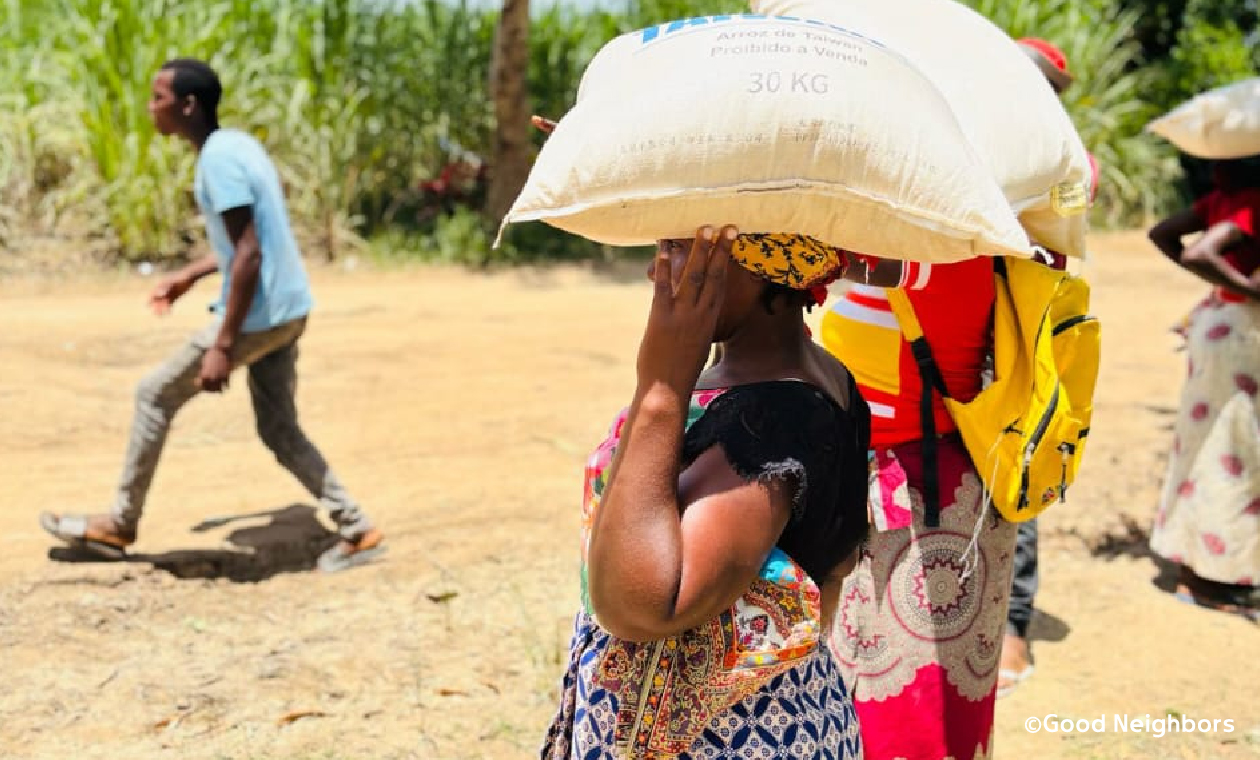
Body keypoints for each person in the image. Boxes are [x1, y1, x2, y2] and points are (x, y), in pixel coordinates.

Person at [39, 58, 383, 572]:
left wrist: (222, 345)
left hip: (258, 317)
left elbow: (249, 253)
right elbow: (248, 240)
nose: (151, 107)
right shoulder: (237, 145)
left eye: (158, 98)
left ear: (187, 105)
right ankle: (358, 529)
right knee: (278, 427)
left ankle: (119, 523)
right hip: (288, 308)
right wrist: (192, 274)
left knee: (154, 394)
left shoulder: (217, 162)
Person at [541, 227, 872, 759]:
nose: (659, 269)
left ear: (766, 261)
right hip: (797, 709)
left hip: (733, 735)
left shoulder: (775, 412)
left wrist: (661, 385)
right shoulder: (819, 375)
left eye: (682, 247)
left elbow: (648, 607)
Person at [997, 36, 1095, 699]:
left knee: (1021, 466)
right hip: (972, 327)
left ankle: (1012, 634)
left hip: (1026, 330)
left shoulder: (1064, 159)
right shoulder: (985, 140)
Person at [1147, 157, 1260, 621]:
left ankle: (1198, 563)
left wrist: (1224, 288)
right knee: (1235, 453)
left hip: (1215, 323)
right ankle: (1210, 577)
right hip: (1240, 332)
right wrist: (1249, 291)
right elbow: (1198, 253)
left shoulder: (1218, 199)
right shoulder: (1251, 202)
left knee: (1206, 448)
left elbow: (1163, 234)